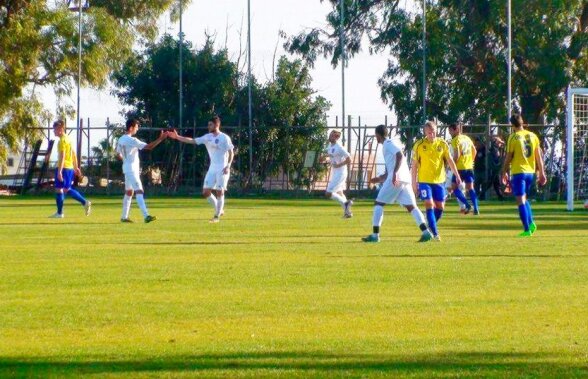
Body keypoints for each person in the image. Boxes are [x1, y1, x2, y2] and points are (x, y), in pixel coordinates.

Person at [362, 125, 432, 242]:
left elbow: (399, 156)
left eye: (376, 136)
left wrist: (394, 173)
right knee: (411, 207)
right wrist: (378, 179)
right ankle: (426, 232)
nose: (376, 138)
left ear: (378, 135)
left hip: (397, 179)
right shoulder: (389, 145)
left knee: (378, 203)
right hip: (405, 179)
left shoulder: (388, 144)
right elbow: (387, 173)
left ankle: (375, 236)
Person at [169, 116, 234, 223]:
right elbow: (192, 141)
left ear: (217, 125)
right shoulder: (207, 137)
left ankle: (216, 217)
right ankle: (220, 209)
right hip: (212, 168)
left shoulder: (224, 138)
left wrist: (228, 165)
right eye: (208, 124)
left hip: (223, 168)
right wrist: (177, 137)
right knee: (205, 192)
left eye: (210, 124)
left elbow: (231, 153)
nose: (208, 126)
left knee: (220, 192)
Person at [411, 121, 462, 241]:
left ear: (436, 131)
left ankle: (430, 225)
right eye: (429, 132)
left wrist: (457, 175)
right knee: (429, 204)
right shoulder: (418, 145)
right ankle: (435, 233)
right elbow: (414, 166)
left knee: (440, 207)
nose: (431, 134)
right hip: (424, 181)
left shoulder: (443, 144)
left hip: (439, 181)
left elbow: (450, 160)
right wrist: (414, 183)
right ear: (425, 132)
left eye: (433, 132)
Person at [501, 114, 547, 237]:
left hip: (519, 172)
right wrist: (542, 172)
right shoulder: (533, 136)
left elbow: (508, 157)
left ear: (512, 125)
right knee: (524, 198)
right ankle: (531, 223)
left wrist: (504, 171)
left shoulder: (513, 137)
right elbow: (539, 157)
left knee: (520, 200)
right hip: (530, 173)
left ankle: (527, 230)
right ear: (522, 122)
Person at [116, 118, 167, 223]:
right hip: (132, 170)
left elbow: (118, 154)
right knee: (139, 190)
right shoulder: (132, 140)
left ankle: (124, 217)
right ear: (131, 128)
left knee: (129, 192)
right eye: (136, 127)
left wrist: (125, 160)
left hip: (126, 168)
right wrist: (161, 139)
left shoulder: (121, 139)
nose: (137, 129)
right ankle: (146, 215)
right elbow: (149, 147)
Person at [49, 120, 91, 218]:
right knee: (63, 189)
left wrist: (59, 171)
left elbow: (63, 156)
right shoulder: (68, 139)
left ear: (60, 129)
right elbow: (73, 154)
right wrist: (76, 167)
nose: (54, 131)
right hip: (69, 168)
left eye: (54, 129)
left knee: (62, 189)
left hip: (64, 168)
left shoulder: (62, 140)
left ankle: (82, 203)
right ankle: (60, 212)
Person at [448, 123, 479, 214]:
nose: (450, 133)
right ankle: (476, 208)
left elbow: (456, 155)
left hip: (460, 168)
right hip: (469, 167)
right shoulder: (467, 138)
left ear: (456, 130)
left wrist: (451, 165)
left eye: (451, 130)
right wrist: (471, 160)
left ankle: (467, 205)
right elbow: (474, 151)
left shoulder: (455, 140)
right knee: (471, 188)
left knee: (454, 188)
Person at [323, 129, 353, 218]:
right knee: (340, 193)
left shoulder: (339, 147)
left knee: (328, 193)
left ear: (337, 137)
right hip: (336, 172)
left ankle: (346, 203)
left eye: (332, 135)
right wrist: (324, 158)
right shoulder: (329, 146)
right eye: (330, 135)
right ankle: (347, 213)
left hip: (341, 172)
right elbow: (331, 157)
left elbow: (349, 159)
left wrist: (339, 165)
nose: (330, 136)